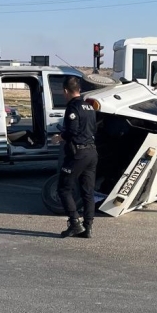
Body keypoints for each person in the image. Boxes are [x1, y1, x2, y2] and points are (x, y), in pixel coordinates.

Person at [53, 76, 99, 238]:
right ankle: (88, 227)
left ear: (66, 91)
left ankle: (74, 223)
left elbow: (71, 131)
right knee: (88, 191)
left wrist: (59, 137)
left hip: (78, 154)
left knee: (64, 188)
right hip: (91, 152)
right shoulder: (89, 106)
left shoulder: (73, 107)